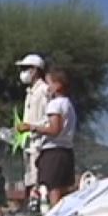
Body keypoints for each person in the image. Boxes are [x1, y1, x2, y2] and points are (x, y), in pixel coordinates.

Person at [18, 68, 77, 208]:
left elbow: (54, 129)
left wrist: (31, 127)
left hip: (54, 152)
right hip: (66, 150)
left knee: (53, 189)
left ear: (58, 85)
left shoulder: (55, 104)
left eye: (49, 83)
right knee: (63, 190)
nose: (47, 87)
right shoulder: (69, 104)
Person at [15, 54, 49, 205]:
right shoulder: (30, 92)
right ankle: (32, 205)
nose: (22, 72)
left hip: (39, 142)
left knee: (38, 179)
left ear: (35, 70)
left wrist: (32, 127)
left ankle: (40, 207)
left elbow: (49, 117)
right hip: (28, 143)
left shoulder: (44, 90)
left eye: (25, 68)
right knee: (29, 177)